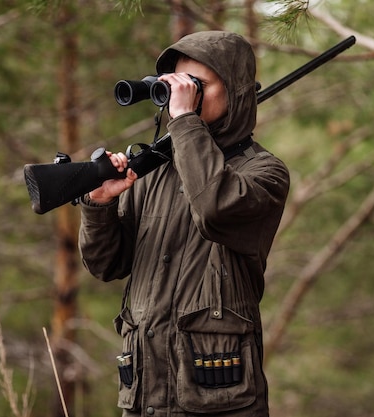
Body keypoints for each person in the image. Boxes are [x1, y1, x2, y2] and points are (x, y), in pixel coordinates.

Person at [78, 31, 290, 417]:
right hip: (142, 397)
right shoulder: (155, 174)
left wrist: (184, 120)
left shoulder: (264, 172)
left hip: (218, 400)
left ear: (236, 92)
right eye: (178, 85)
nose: (182, 96)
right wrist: (99, 206)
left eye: (198, 86)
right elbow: (107, 264)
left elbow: (214, 206)